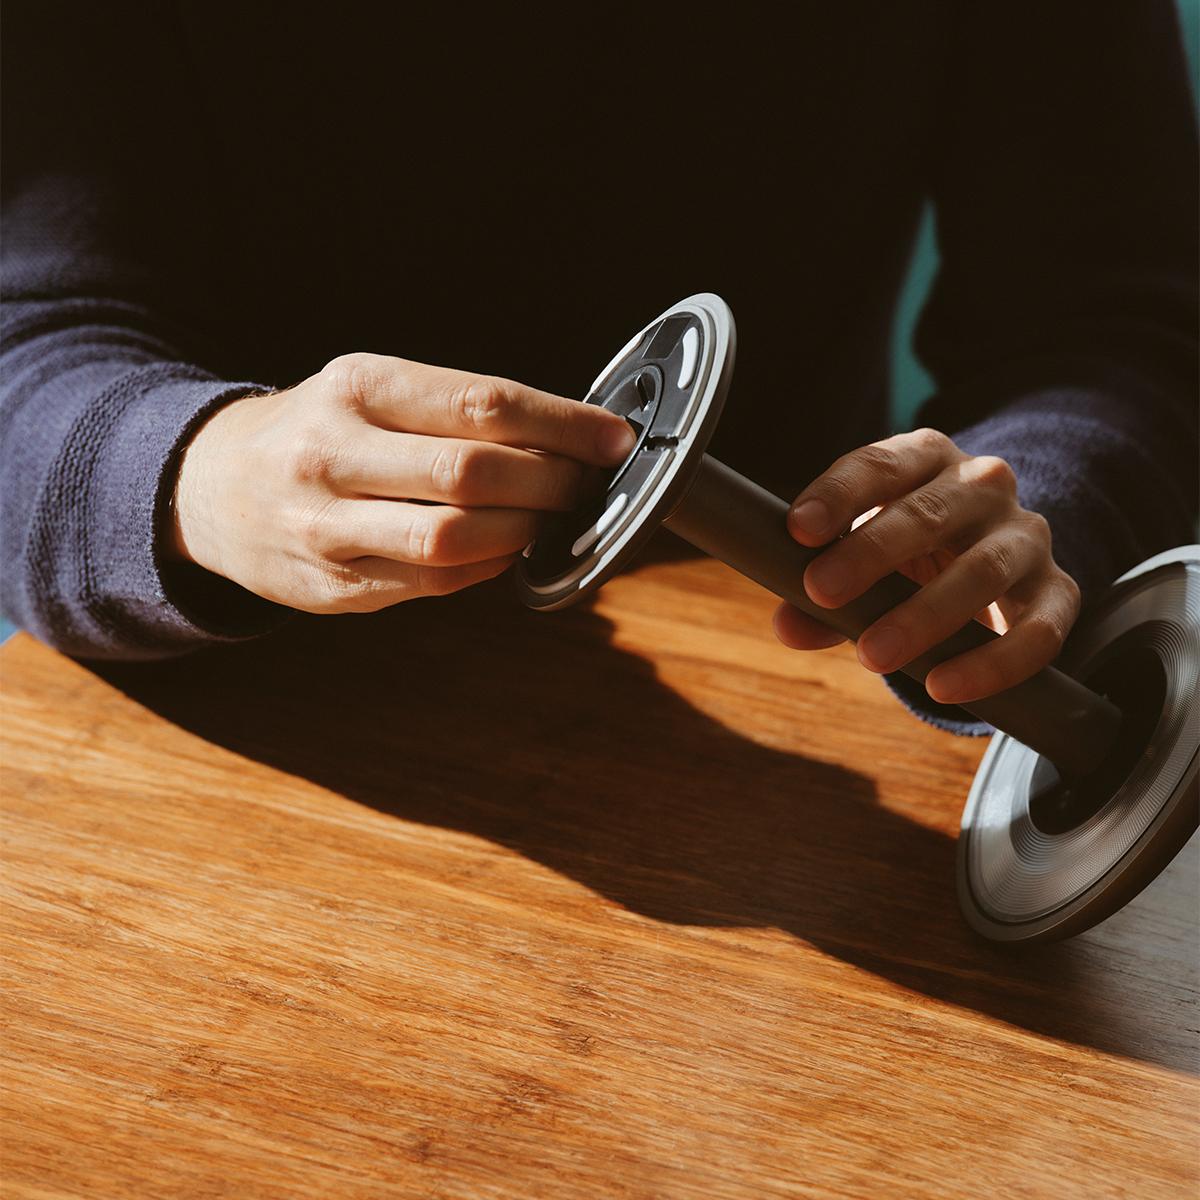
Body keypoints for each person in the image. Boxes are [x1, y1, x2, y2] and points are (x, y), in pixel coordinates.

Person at [2, 3, 1196, 735]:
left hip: (813, 694)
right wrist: (197, 476)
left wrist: (1021, 513)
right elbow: (28, 348)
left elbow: (1120, 313)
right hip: (223, 733)